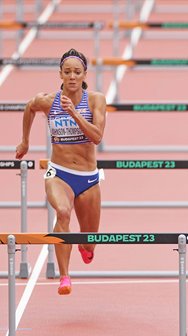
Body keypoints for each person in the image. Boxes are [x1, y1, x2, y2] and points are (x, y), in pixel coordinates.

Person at [16, 48, 107, 295]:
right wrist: (25, 141)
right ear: (60, 74)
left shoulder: (96, 100)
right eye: (67, 72)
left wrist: (74, 114)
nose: (72, 76)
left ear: (84, 74)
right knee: (63, 213)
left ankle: (85, 247)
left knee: (90, 242)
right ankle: (64, 276)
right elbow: (30, 106)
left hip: (88, 178)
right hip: (58, 173)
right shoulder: (49, 101)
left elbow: (97, 137)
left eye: (77, 72)